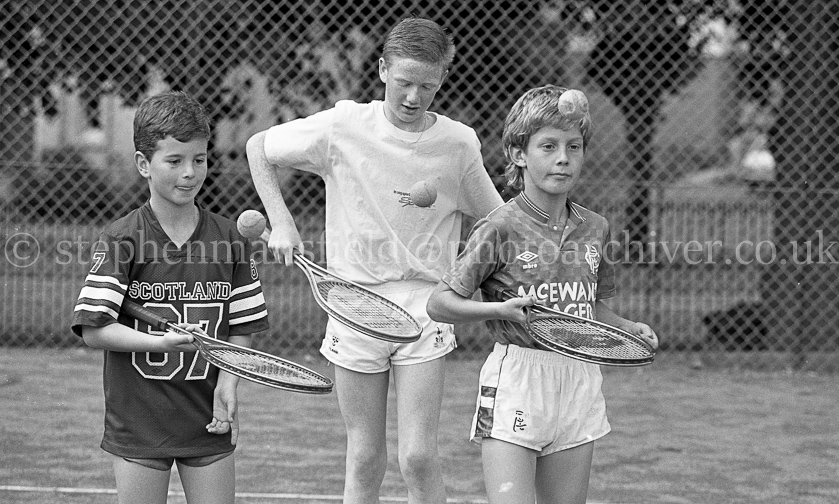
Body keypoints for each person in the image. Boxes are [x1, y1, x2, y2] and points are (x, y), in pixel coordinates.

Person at [246, 17, 503, 504]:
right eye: (404, 82)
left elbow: (496, 222)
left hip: (425, 307)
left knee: (418, 458)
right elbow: (259, 146)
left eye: (427, 86)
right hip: (353, 305)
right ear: (383, 69)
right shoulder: (342, 126)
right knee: (364, 458)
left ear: (443, 79)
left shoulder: (458, 144)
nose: (413, 97)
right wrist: (281, 222)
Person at [426, 85, 659, 504]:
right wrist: (499, 310)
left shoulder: (595, 227)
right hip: (519, 378)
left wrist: (627, 328)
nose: (563, 158)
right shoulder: (499, 227)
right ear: (518, 154)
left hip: (579, 378)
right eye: (548, 146)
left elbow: (590, 308)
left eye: (574, 146)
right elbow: (439, 303)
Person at [71, 90, 269, 504]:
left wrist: (228, 383)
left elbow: (243, 325)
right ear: (144, 164)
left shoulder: (230, 238)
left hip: (208, 415)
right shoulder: (123, 238)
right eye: (174, 161)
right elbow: (94, 330)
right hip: (140, 419)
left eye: (200, 159)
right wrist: (158, 343)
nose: (190, 173)